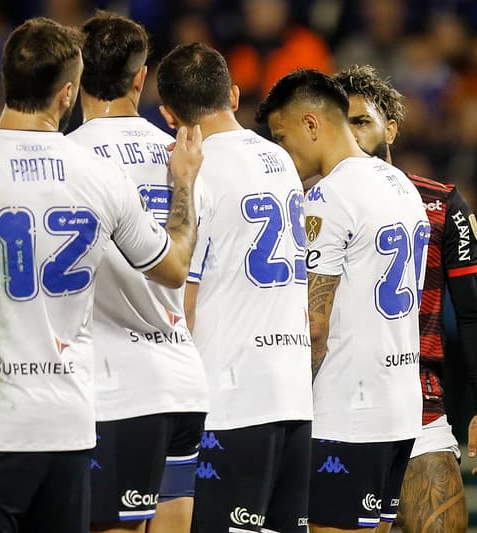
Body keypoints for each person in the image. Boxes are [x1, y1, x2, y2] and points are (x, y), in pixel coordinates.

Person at [0, 18, 203, 533]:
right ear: (66, 92)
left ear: (6, 78)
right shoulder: (104, 172)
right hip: (79, 413)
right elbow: (176, 268)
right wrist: (183, 186)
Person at [256, 68, 429, 533]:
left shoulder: (329, 197)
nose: (282, 153)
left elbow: (315, 325)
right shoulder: (402, 186)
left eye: (282, 136)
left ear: (312, 124)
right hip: (399, 407)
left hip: (346, 414)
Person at [333, 64, 477, 533]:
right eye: (341, 123)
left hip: (417, 400)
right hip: (333, 403)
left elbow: (473, 311)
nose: (351, 134)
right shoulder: (308, 203)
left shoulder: (442, 203)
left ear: (392, 128)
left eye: (362, 121)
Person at [157, 43, 313, 533]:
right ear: (235, 93)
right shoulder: (282, 159)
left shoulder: (196, 171)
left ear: (167, 115)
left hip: (231, 400)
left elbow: (187, 293)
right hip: (292, 393)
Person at [67, 13, 208, 533]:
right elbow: (191, 269)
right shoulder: (184, 157)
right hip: (181, 382)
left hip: (109, 387)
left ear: (77, 76)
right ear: (139, 77)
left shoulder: (66, 160)